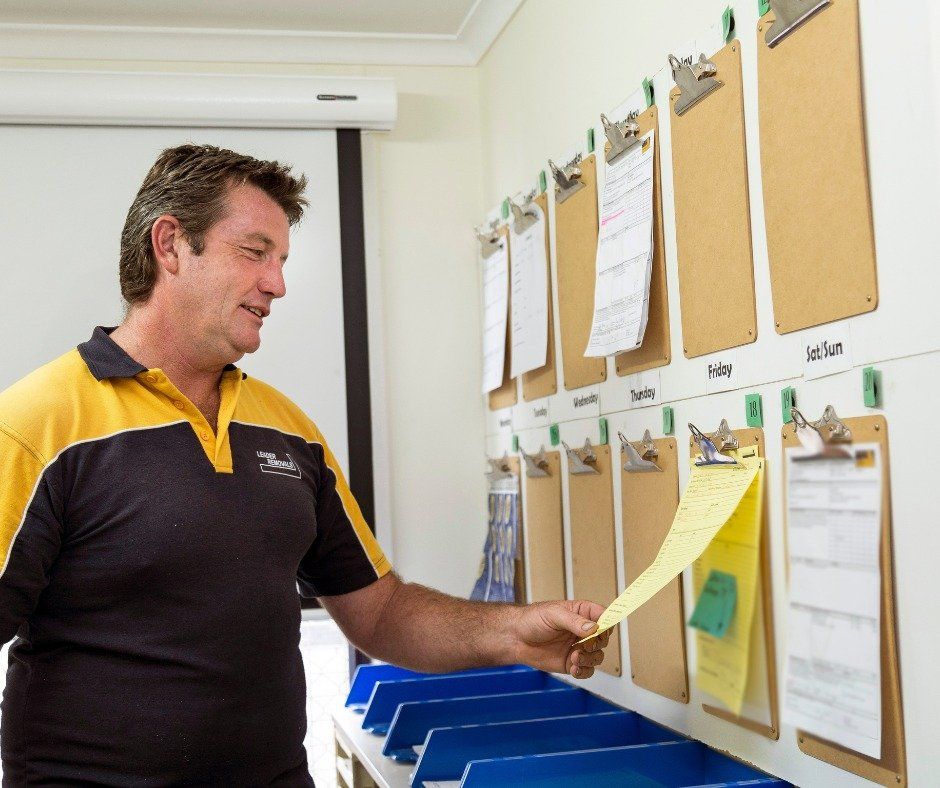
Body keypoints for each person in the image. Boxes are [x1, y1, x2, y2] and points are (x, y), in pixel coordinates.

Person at [0, 144, 609, 786]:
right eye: (255, 252)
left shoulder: (290, 432)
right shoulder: (39, 423)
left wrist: (515, 634)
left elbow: (380, 613)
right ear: (171, 245)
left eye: (282, 260)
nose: (277, 283)